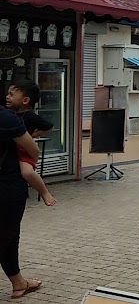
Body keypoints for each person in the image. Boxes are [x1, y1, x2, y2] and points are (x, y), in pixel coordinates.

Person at [0, 106, 43, 298]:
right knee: (6, 235)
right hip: (7, 187)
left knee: (10, 235)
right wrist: (27, 164)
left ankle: (19, 283)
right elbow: (32, 148)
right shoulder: (6, 118)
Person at [5, 80, 56, 206]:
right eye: (8, 94)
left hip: (23, 150)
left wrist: (32, 136)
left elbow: (49, 126)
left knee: (27, 172)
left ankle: (44, 192)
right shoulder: (9, 114)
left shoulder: (30, 116)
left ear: (25, 100)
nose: (7, 97)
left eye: (12, 95)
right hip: (11, 151)